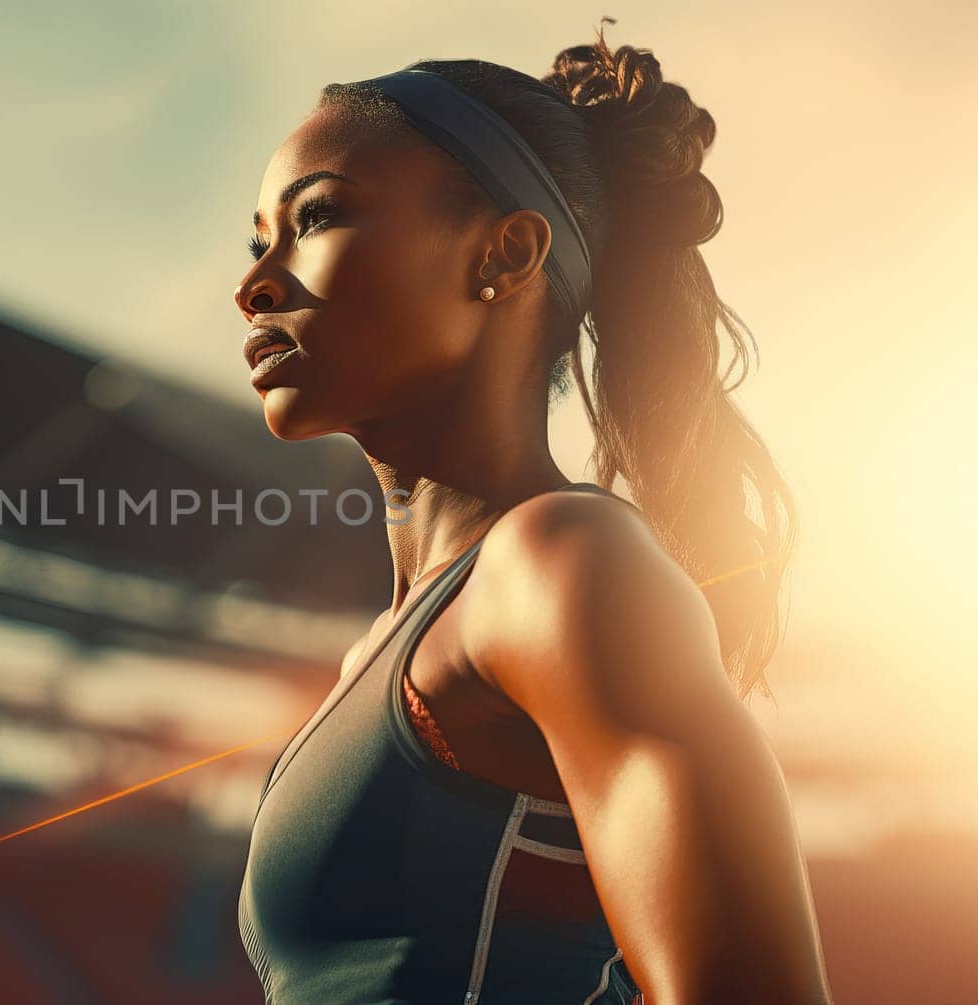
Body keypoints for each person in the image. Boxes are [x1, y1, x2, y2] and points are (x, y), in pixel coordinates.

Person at [233, 22, 833, 1004]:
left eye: (318, 216)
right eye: (260, 240)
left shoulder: (561, 564)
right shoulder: (387, 649)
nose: (254, 285)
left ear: (506, 254)